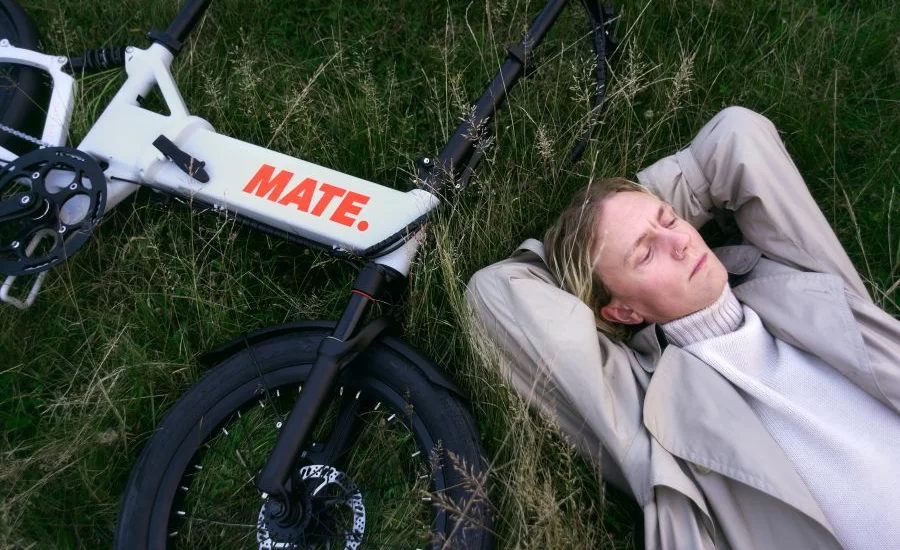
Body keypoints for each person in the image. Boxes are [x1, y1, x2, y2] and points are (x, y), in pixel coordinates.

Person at [466, 106, 900, 550]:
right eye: (645, 253)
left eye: (670, 219)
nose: (681, 242)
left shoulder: (801, 282)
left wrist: (628, 213)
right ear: (623, 312)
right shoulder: (649, 412)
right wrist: (581, 268)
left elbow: (736, 136)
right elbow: (495, 292)